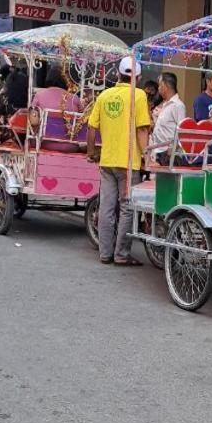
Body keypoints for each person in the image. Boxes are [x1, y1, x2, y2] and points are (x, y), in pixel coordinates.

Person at [85, 55, 151, 266]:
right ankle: (121, 254)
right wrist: (147, 155)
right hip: (128, 162)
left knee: (106, 207)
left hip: (107, 161)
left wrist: (91, 152)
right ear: (137, 78)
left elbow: (91, 127)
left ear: (118, 75)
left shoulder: (104, 95)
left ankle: (105, 253)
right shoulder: (138, 95)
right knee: (127, 208)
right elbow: (142, 129)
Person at [28, 64, 80, 146]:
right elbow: (82, 119)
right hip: (70, 145)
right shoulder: (75, 99)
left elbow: (33, 121)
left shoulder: (39, 95)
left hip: (43, 144)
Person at [149, 71, 186, 166]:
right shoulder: (165, 105)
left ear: (166, 86)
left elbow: (182, 130)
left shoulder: (178, 105)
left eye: (160, 85)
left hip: (169, 154)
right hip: (158, 151)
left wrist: (174, 148)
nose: (158, 88)